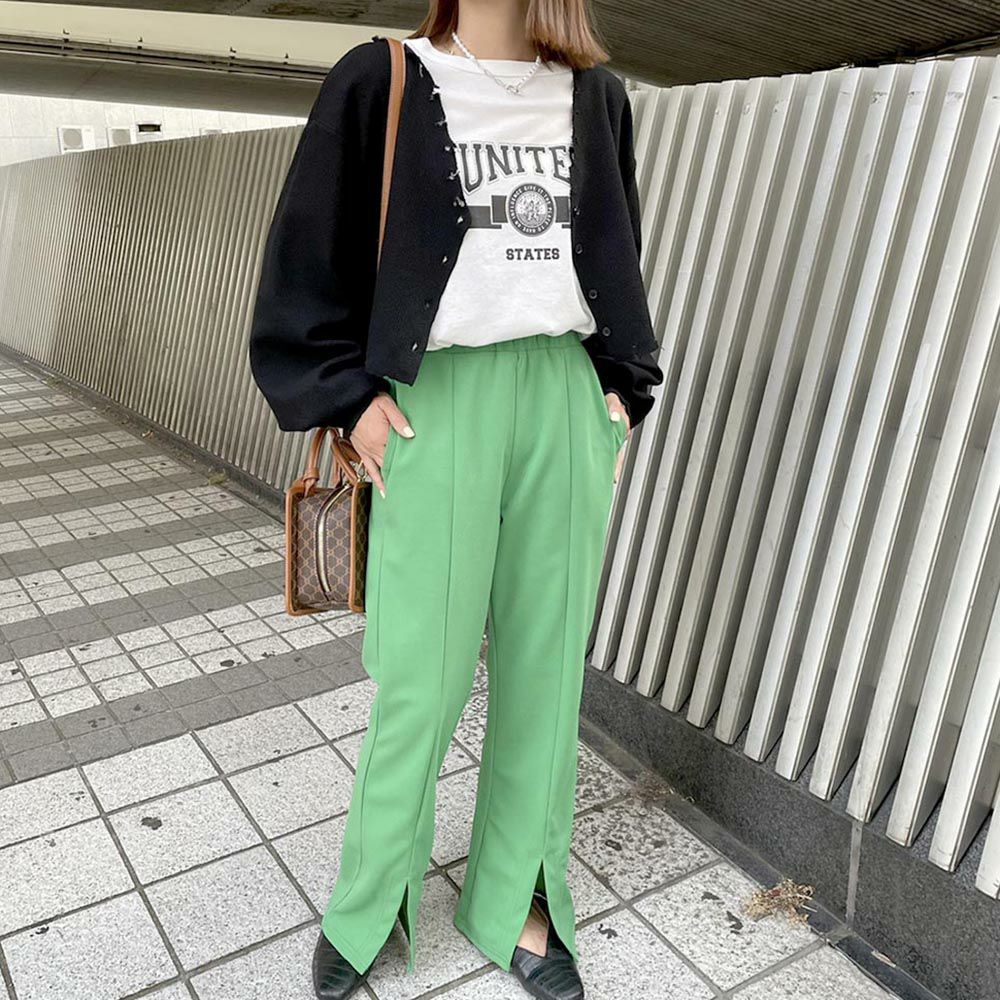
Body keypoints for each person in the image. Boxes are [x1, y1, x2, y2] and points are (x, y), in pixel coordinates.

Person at [248, 1, 663, 997]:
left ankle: (517, 897)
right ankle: (372, 897)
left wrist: (618, 394)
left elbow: (617, 252)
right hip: (434, 403)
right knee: (420, 674)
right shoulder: (381, 78)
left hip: (562, 395)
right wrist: (348, 399)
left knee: (544, 671)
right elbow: (307, 254)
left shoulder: (596, 97)